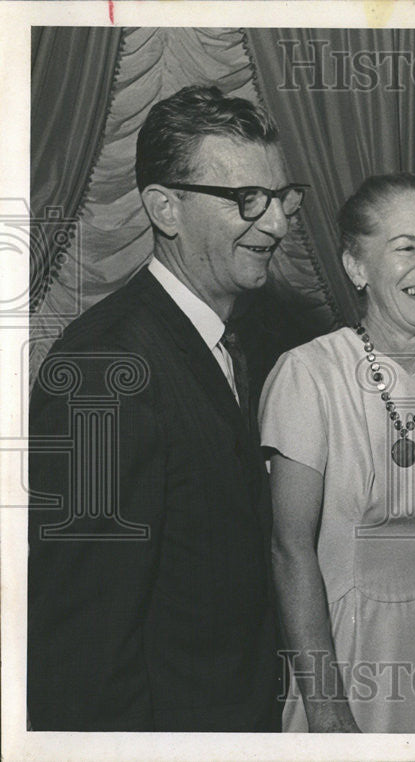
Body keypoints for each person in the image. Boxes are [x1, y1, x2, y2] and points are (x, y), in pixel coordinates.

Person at [27, 85, 301, 730]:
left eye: (282, 198)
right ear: (164, 208)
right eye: (246, 200)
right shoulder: (102, 370)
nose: (280, 223)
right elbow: (81, 645)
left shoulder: (238, 340)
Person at [261, 173, 415, 734]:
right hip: (333, 655)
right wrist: (325, 708)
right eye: (407, 247)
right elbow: (289, 551)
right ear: (357, 267)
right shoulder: (308, 375)